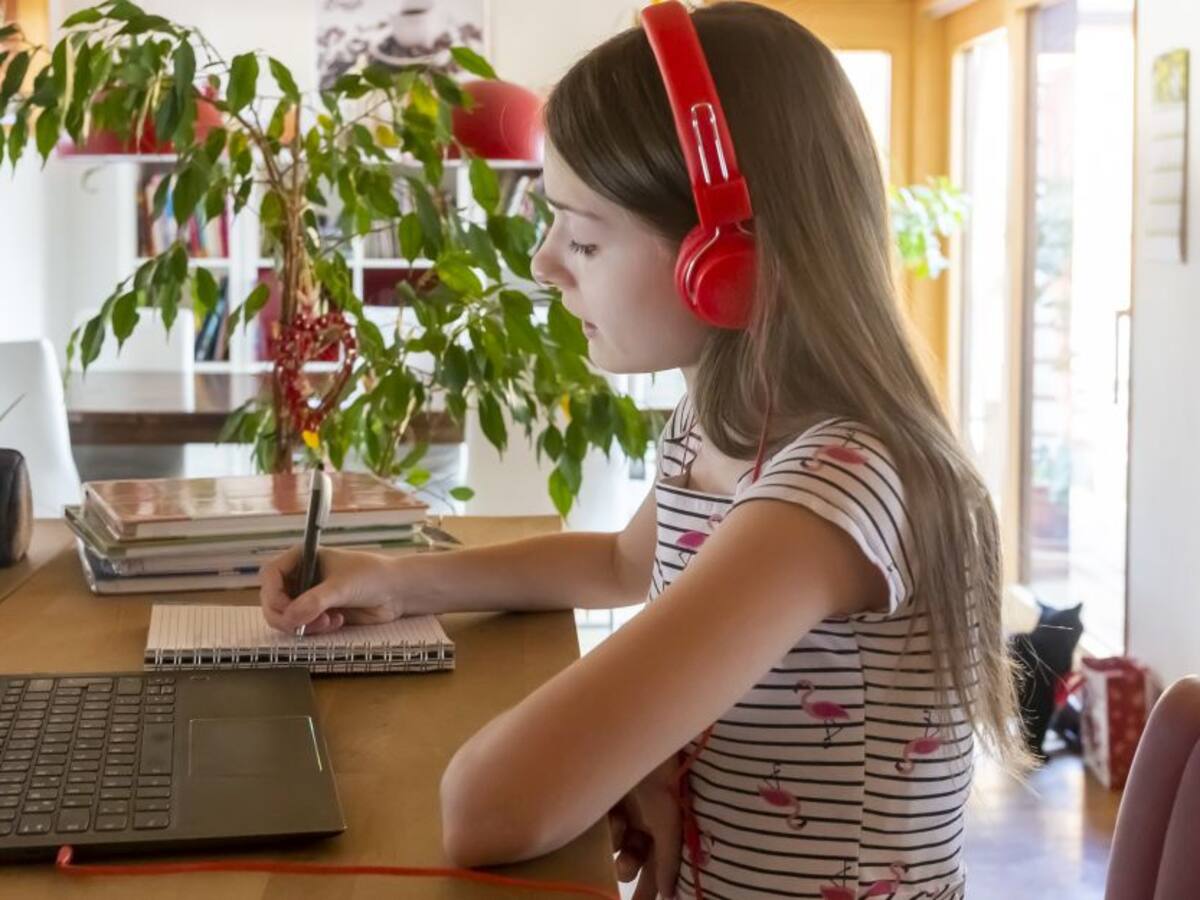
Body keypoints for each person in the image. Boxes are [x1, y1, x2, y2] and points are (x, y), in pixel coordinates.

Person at [260, 3, 1028, 897]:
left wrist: (621, 750)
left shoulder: (834, 492)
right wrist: (394, 580)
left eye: (584, 235)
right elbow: (628, 560)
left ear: (727, 260)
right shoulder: (725, 421)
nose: (547, 264)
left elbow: (487, 809)